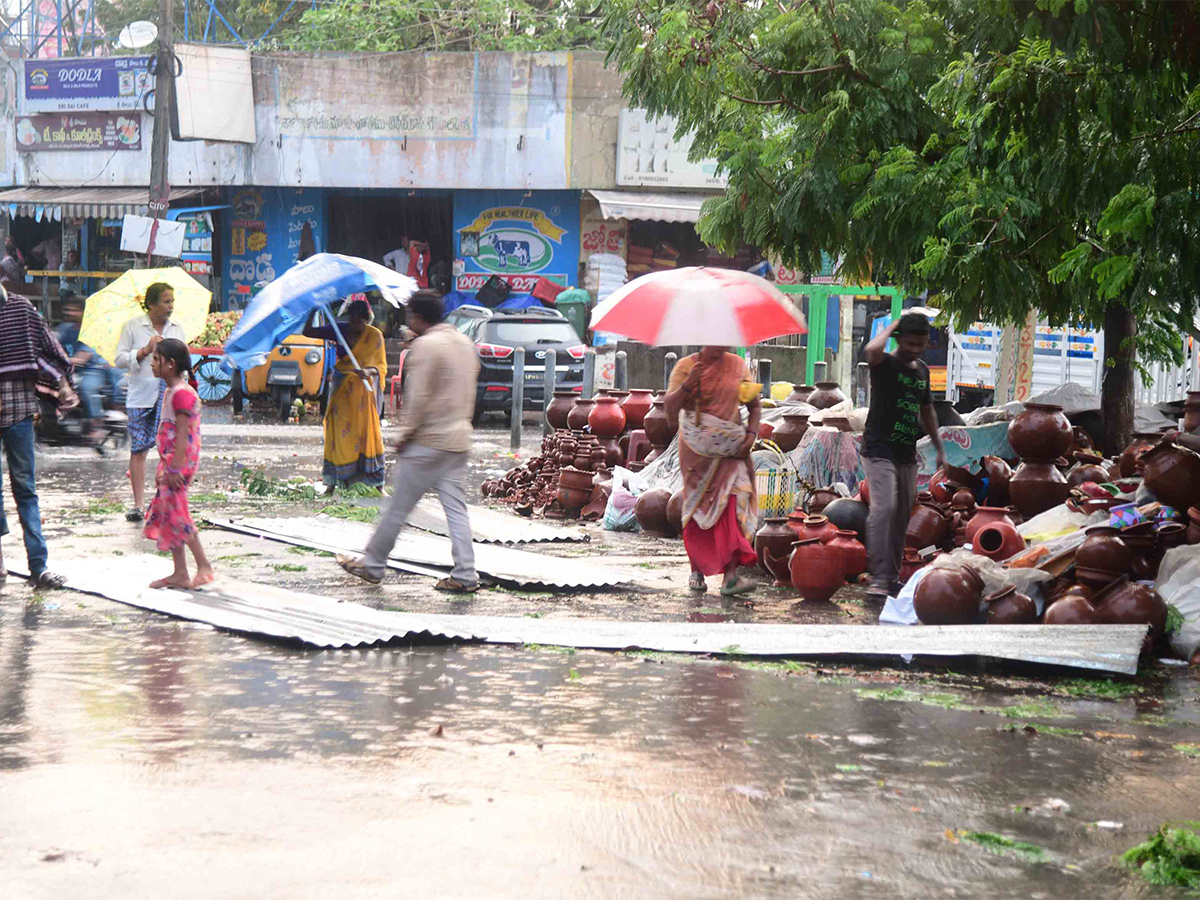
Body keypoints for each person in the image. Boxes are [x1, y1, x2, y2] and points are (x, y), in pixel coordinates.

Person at [336, 290, 480, 592]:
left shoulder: (426, 347)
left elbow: (420, 400)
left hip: (427, 442)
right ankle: (466, 573)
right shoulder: (465, 344)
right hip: (458, 440)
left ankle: (373, 564)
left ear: (416, 316)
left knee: (397, 509)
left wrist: (403, 437)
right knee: (456, 511)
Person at [862, 311, 947, 600]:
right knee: (884, 508)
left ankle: (891, 576)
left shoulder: (922, 370)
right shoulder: (884, 364)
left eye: (921, 344)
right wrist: (894, 326)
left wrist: (940, 448)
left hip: (906, 453)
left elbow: (928, 412)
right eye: (910, 343)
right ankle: (877, 576)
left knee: (901, 515)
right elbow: (872, 349)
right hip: (878, 450)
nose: (915, 349)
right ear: (898, 338)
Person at [665, 346, 761, 596]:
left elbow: (755, 406)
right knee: (700, 509)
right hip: (698, 455)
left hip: (732, 450)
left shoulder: (737, 365)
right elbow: (669, 411)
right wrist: (689, 384)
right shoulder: (686, 367)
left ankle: (731, 576)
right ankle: (696, 568)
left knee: (734, 501)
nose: (723, 344)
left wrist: (750, 435)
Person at [0, 284, 71, 589]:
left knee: (26, 489)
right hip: (17, 412)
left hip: (18, 412)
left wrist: (61, 382)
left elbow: (45, 351)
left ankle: (39, 566)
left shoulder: (22, 310)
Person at [143, 338, 213, 589]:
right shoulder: (172, 391)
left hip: (178, 464)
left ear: (170, 364)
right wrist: (164, 466)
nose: (151, 364)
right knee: (170, 514)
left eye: (155, 359)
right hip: (172, 462)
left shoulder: (181, 394)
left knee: (179, 515)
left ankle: (203, 566)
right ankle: (180, 572)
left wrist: (174, 469)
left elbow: (183, 435)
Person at [114, 282, 186, 522]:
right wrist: (145, 351)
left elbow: (184, 360)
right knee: (138, 449)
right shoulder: (133, 327)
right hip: (140, 396)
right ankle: (138, 505)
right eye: (166, 302)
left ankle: (166, 501)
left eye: (172, 302)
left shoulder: (176, 329)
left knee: (169, 449)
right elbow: (120, 359)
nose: (170, 306)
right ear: (152, 304)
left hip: (170, 396)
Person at [303, 297, 388, 493]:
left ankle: (377, 485)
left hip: (364, 394)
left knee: (368, 435)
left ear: (366, 320)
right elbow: (308, 332)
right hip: (342, 390)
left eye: (359, 320)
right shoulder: (339, 329)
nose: (355, 324)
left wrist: (368, 372)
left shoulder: (375, 336)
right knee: (337, 433)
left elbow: (381, 367)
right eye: (352, 319)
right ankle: (332, 484)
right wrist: (314, 311)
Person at [55, 293, 108, 445]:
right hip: (70, 370)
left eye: (73, 310)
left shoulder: (91, 331)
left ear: (83, 312)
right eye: (67, 310)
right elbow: (54, 344)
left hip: (91, 370)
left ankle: (96, 424)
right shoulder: (65, 329)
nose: (69, 313)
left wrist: (61, 359)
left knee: (86, 387)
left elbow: (82, 358)